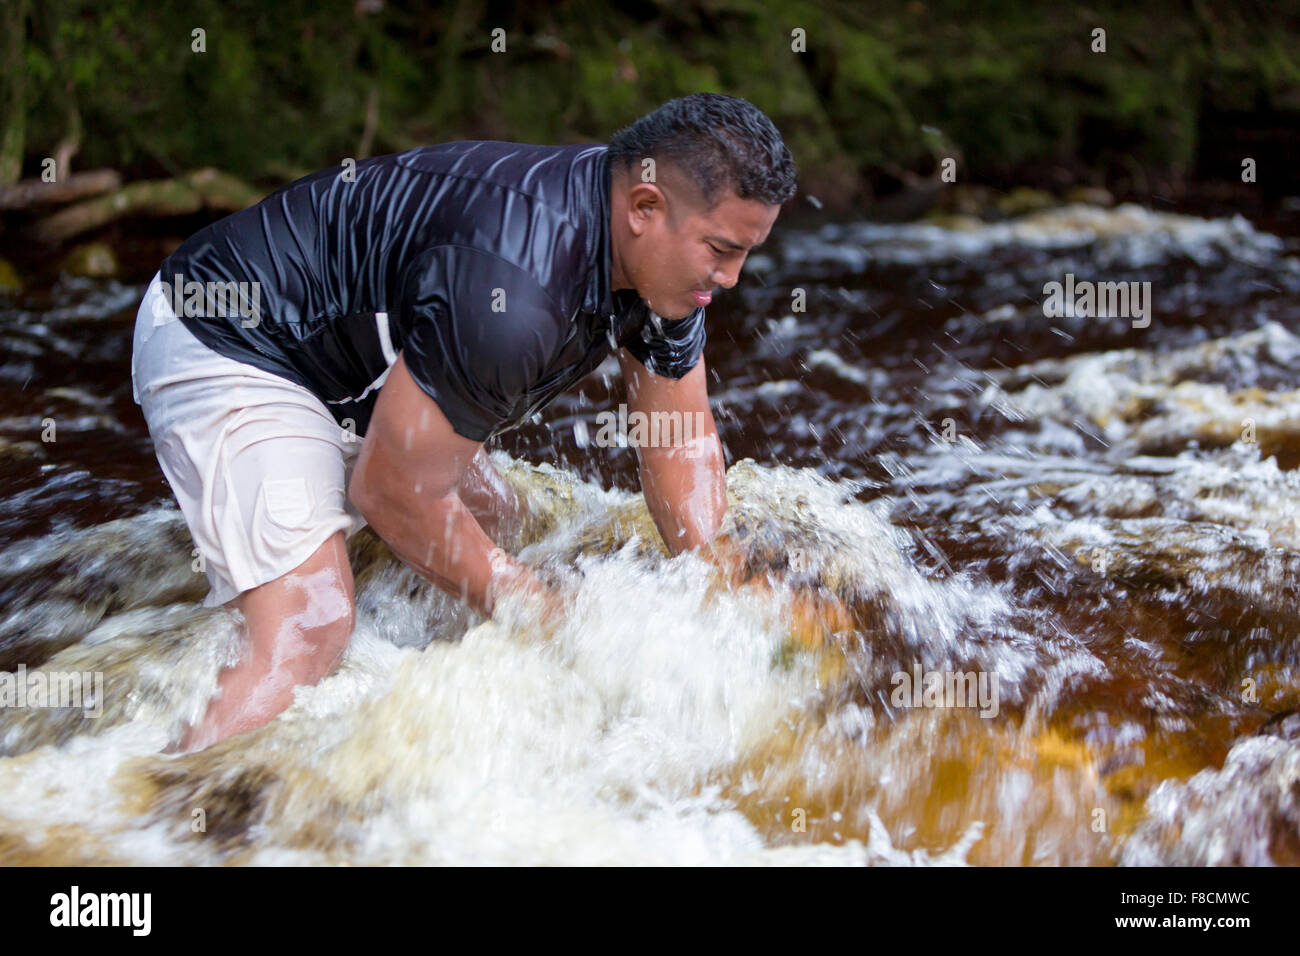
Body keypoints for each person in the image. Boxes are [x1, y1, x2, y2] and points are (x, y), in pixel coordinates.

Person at [130, 92, 796, 752]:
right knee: (313, 626)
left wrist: (724, 604)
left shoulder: (667, 270)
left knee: (501, 525)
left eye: (745, 252)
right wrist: (546, 615)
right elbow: (390, 491)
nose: (732, 278)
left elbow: (680, 446)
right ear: (645, 209)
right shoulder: (515, 294)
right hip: (227, 335)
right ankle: (159, 813)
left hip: (364, 368)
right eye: (721, 249)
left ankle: (405, 701)